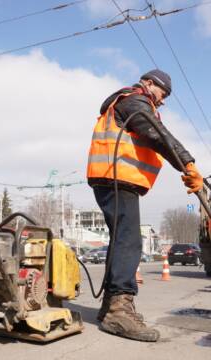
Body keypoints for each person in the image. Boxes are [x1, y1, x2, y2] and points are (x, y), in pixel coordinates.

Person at [87, 69, 203, 342]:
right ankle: (119, 309)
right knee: (129, 241)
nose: (162, 101)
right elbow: (158, 135)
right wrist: (186, 163)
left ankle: (110, 308)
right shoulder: (135, 101)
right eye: (163, 94)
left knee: (121, 240)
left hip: (114, 179)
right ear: (149, 84)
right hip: (116, 178)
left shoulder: (132, 103)